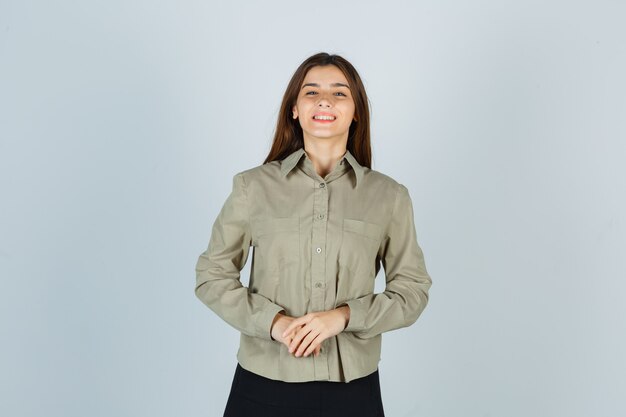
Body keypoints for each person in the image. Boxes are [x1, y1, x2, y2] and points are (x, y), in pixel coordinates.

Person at [195, 52, 432, 417]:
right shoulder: (253, 188)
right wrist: (274, 323)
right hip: (263, 384)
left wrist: (343, 317)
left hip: (352, 391)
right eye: (312, 92)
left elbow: (412, 290)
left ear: (356, 112)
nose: (324, 100)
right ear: (294, 109)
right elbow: (212, 275)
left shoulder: (388, 196)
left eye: (340, 93)